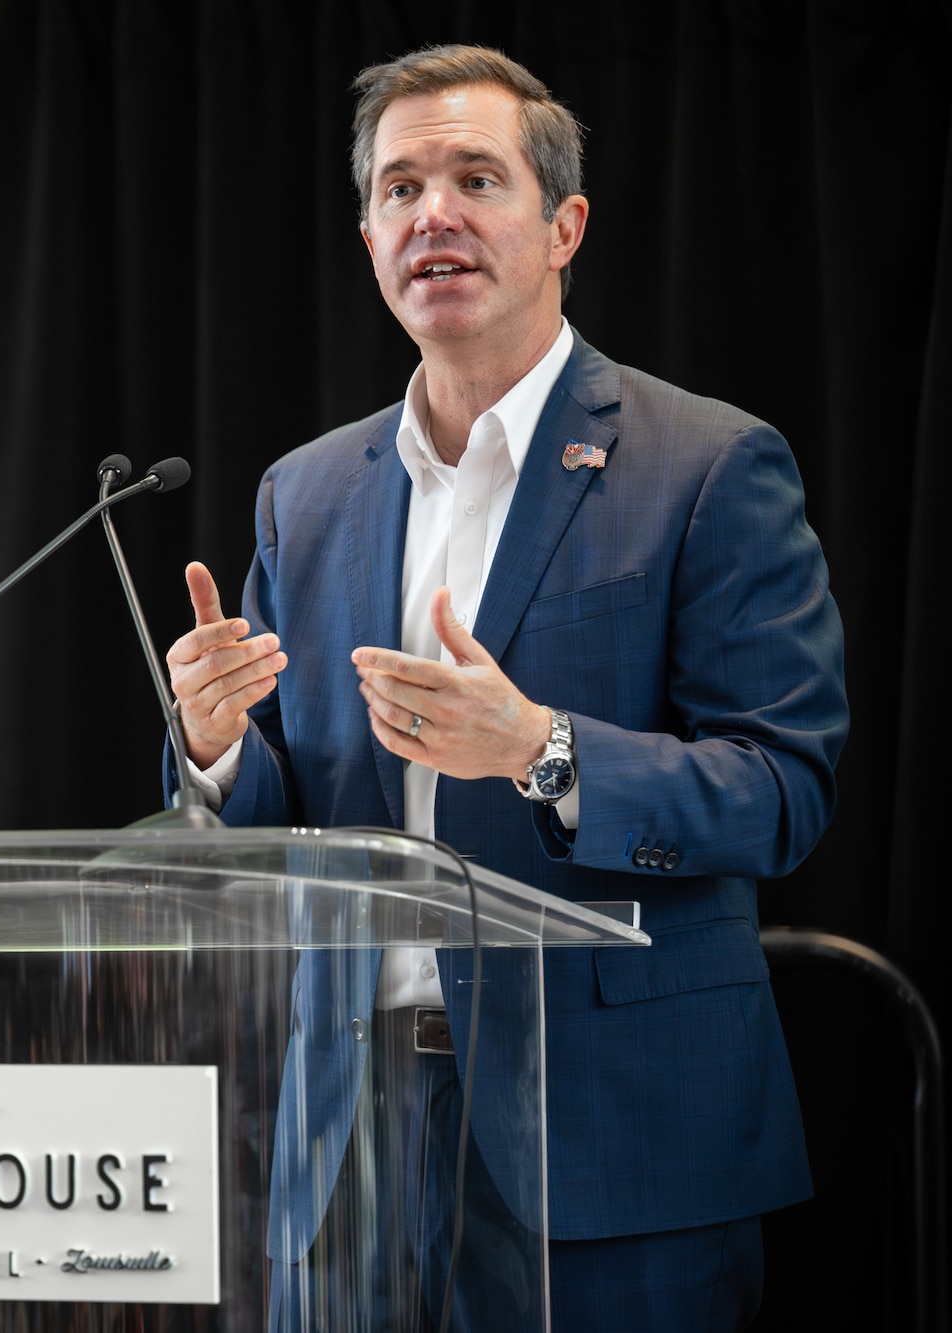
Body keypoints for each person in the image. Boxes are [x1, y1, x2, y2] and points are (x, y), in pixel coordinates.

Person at [165, 46, 846, 1332]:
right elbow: (287, 811)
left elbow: (782, 789)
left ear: (562, 227)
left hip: (613, 1136)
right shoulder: (304, 495)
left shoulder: (704, 464)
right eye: (399, 187)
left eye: (475, 179)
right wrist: (215, 749)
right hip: (348, 1136)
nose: (433, 213)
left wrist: (542, 750)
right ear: (368, 239)